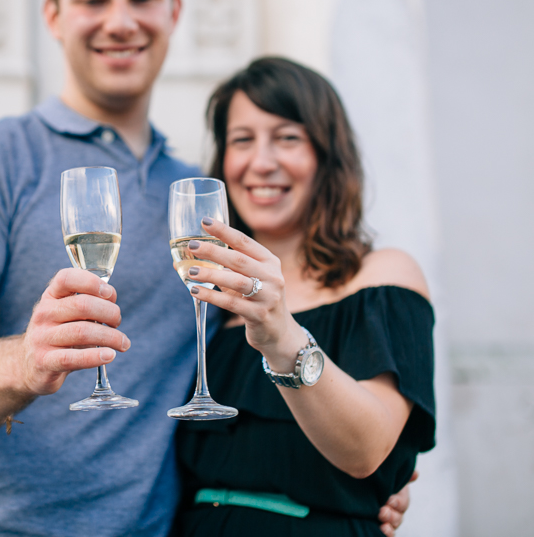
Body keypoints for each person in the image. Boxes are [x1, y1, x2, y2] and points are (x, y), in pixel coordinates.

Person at [0, 0, 412, 534]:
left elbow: (258, 370)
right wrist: (24, 364)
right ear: (53, 16)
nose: (121, 20)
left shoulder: (203, 198)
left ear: (174, 12)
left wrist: (367, 482)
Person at [172, 57, 435, 536]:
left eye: (288, 138)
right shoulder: (209, 303)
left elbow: (367, 450)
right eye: (242, 139)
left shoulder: (381, 278)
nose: (262, 161)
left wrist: (281, 333)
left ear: (327, 156)